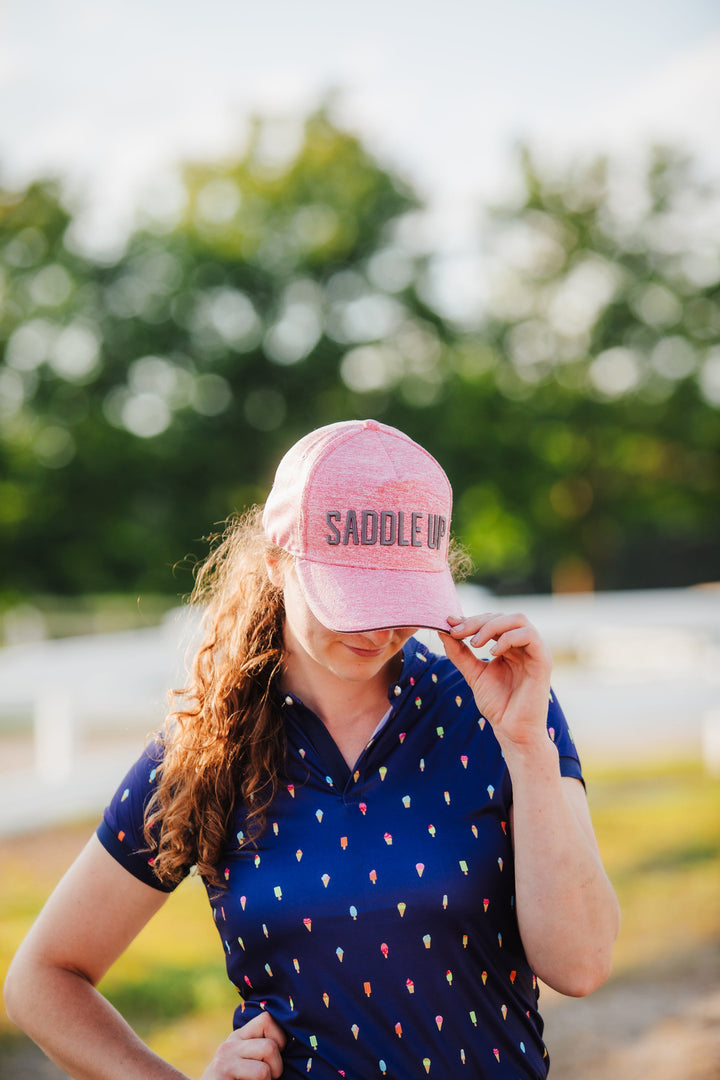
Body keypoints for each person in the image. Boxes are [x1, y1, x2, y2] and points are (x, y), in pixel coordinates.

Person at [4, 418, 620, 1080]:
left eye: (402, 595)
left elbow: (580, 965)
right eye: (354, 596)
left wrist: (527, 744)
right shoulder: (209, 745)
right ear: (275, 561)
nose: (383, 628)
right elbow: (43, 979)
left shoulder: (500, 707)